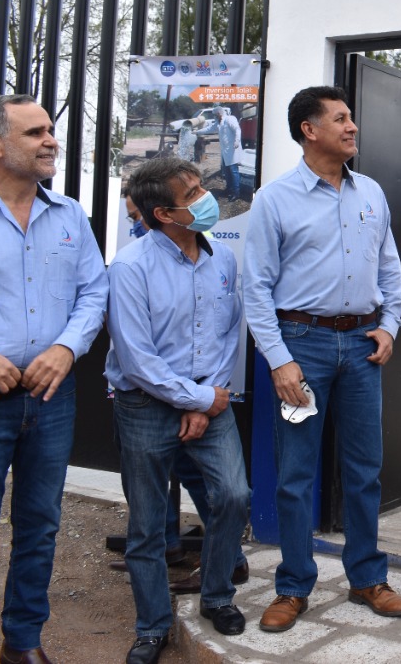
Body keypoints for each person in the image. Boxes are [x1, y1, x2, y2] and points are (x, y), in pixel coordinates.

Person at [243, 85, 401, 632]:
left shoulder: (372, 194)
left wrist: (388, 326)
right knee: (295, 474)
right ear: (309, 130)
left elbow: (390, 269)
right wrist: (279, 360)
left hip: (363, 347)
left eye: (351, 118)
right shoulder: (275, 199)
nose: (352, 126)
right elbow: (257, 288)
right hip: (302, 347)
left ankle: (368, 578)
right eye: (340, 119)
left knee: (364, 469)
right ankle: (292, 586)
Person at [0, 94, 108, 664]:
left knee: (40, 527)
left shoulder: (68, 215)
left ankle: (21, 643)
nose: (51, 140)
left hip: (52, 398)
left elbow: (95, 291)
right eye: (35, 133)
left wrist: (67, 348)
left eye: (50, 130)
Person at [106, 158, 251, 662]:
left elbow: (228, 333)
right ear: (164, 214)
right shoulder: (129, 268)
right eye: (192, 194)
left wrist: (207, 397)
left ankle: (216, 596)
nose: (206, 196)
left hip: (209, 400)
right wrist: (193, 399)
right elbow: (136, 358)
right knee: (147, 524)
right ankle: (152, 627)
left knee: (233, 495)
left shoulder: (223, 261)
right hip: (146, 405)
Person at [215, 106, 242, 201]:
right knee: (226, 172)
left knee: (233, 171)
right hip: (225, 151)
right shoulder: (219, 122)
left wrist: (237, 141)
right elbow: (209, 129)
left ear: (219, 113)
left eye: (216, 114)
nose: (215, 117)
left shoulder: (230, 119)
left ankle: (236, 193)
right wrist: (197, 132)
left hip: (233, 149)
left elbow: (237, 130)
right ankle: (229, 189)